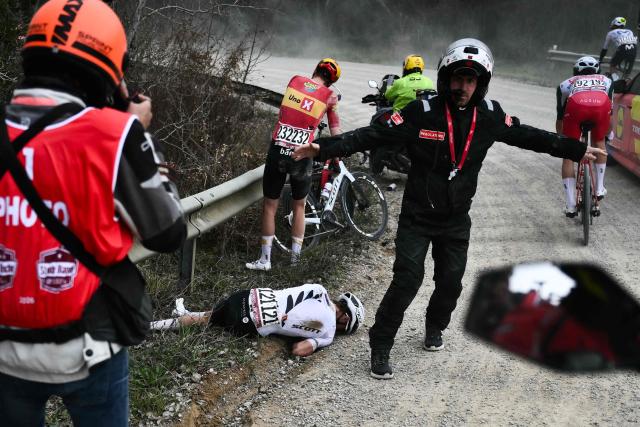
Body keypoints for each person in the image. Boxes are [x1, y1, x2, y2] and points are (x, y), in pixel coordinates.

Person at [293, 38, 606, 380]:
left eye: (471, 80)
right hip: (417, 216)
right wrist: (321, 148)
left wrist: (576, 150)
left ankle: (434, 326)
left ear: (481, 83)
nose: (462, 87)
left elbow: (531, 136)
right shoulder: (420, 112)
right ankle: (380, 344)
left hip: (456, 220)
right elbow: (372, 134)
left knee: (451, 283)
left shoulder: (489, 116)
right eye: (457, 78)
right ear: (445, 77)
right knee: (407, 280)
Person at [0, 1, 187, 425]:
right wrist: (137, 134)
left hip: (5, 349)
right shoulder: (113, 135)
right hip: (86, 345)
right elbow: (166, 232)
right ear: (108, 72)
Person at [246, 58, 342, 271]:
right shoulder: (330, 96)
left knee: (270, 206)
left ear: (316, 69)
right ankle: (295, 262)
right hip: (302, 154)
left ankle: (264, 260)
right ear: (331, 81)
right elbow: (335, 130)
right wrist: (337, 154)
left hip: (278, 149)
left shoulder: (295, 80)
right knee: (299, 207)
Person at [151, 284, 365, 357]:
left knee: (210, 317)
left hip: (249, 296)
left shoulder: (320, 291)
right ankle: (158, 324)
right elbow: (298, 350)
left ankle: (163, 322)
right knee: (211, 320)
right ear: (346, 320)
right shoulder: (328, 335)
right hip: (252, 322)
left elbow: (295, 296)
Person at [556, 56, 613, 217]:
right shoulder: (607, 81)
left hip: (576, 109)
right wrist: (608, 133)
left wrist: (562, 141)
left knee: (567, 154)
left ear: (576, 71)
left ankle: (570, 205)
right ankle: (600, 188)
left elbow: (560, 117)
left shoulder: (565, 84)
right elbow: (611, 112)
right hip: (601, 108)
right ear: (597, 71)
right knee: (599, 140)